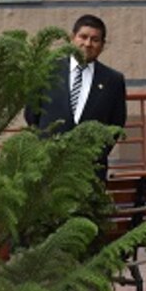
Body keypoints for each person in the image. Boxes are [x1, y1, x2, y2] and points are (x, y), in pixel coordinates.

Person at [24, 14, 127, 181]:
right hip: (48, 167)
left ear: (102, 45)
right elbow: (32, 114)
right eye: (83, 37)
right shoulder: (47, 71)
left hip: (90, 170)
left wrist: (94, 153)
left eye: (95, 40)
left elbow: (116, 123)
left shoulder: (113, 80)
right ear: (73, 38)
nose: (88, 44)